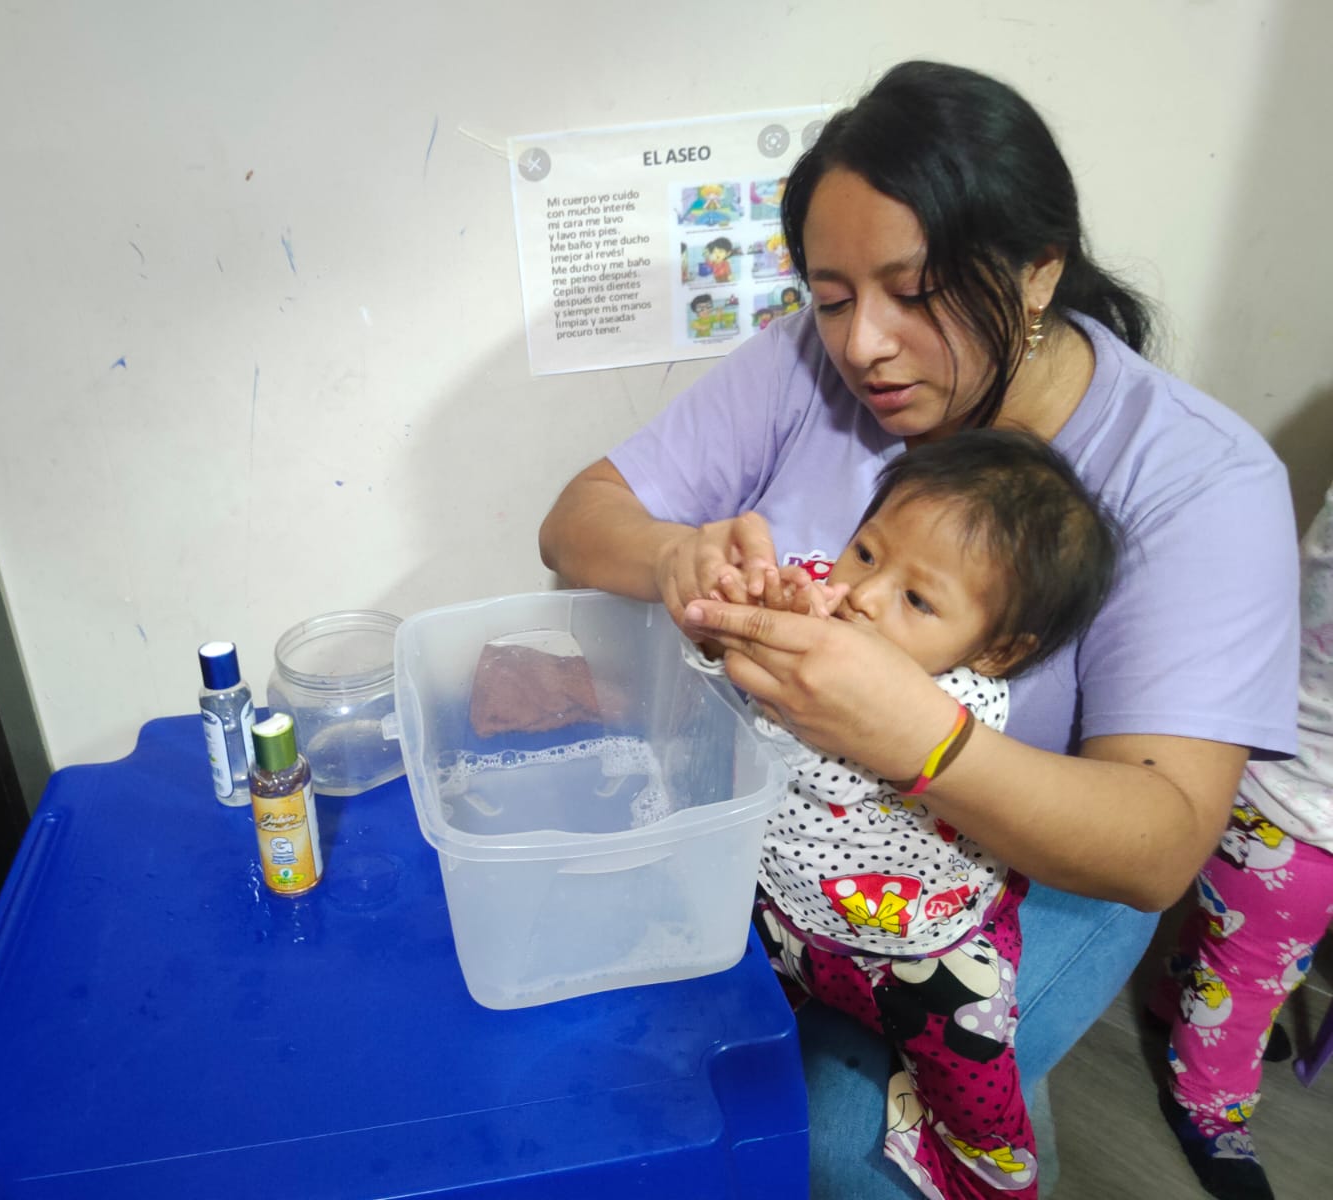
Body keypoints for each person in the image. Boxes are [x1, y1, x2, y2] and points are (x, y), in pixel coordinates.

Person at [537, 60, 1301, 1198]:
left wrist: (916, 738)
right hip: (789, 827)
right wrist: (674, 556)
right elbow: (576, 522)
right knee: (623, 1043)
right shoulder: (806, 363)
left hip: (1018, 875)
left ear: (1038, 270)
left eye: (917, 291)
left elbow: (1155, 845)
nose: (863, 347)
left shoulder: (1197, 480)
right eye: (833, 296)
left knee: (853, 1154)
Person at [716, 429, 1118, 1199]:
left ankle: (988, 1173)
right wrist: (744, 613)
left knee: (971, 1088)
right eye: (866, 552)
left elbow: (818, 765)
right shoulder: (825, 600)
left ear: (997, 649)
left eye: (918, 599)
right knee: (737, 1018)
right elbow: (734, 678)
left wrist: (772, 665)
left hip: (921, 952)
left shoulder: (965, 700)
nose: (864, 593)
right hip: (789, 912)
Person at [1147, 480, 1333, 1200]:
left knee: (1244, 941)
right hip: (1298, 805)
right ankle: (1206, 1103)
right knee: (1254, 971)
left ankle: (1179, 992)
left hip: (1274, 778)